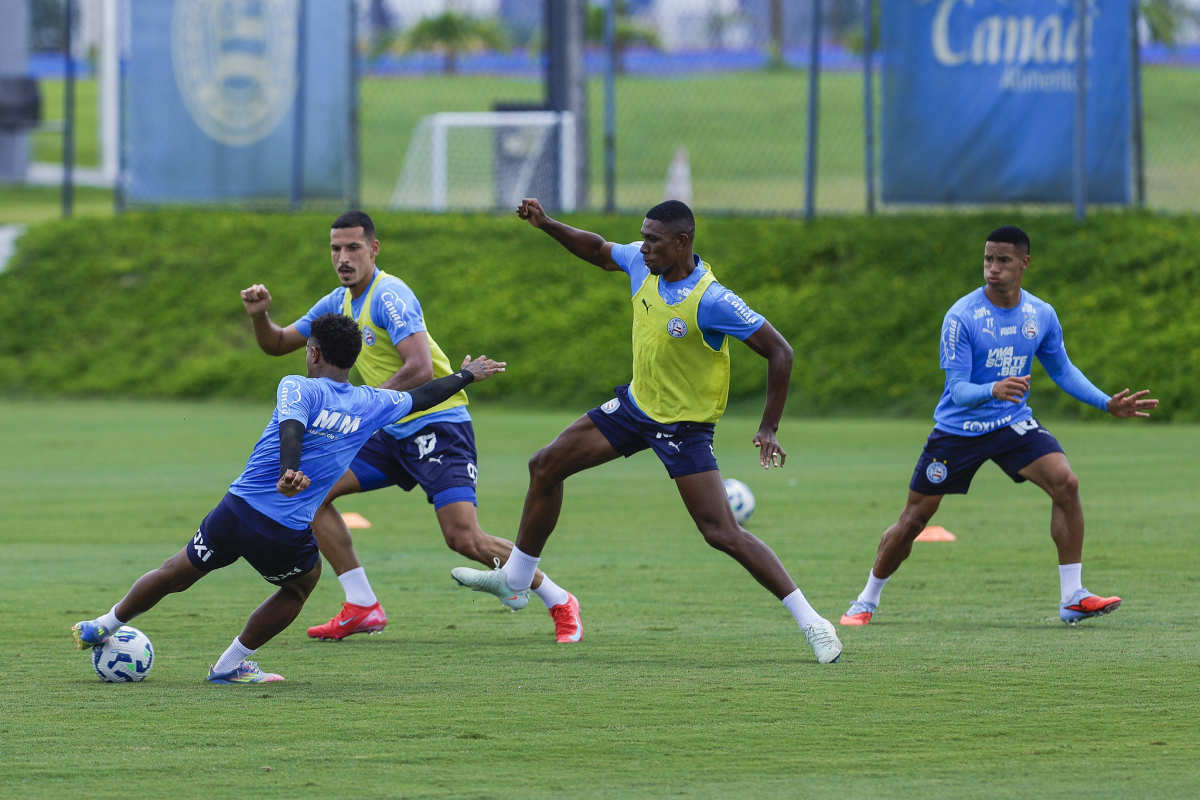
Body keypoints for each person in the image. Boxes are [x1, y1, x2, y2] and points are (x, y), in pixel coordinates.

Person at [450, 197, 843, 661]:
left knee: (721, 532)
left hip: (684, 427)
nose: (644, 246)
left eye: (654, 239)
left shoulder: (711, 300)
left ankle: (814, 623)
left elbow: (781, 351)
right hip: (636, 409)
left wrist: (769, 427)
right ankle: (516, 580)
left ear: (683, 242)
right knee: (545, 465)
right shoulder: (642, 263)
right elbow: (598, 250)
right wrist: (546, 224)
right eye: (643, 236)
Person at [72, 314, 505, 683]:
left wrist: (288, 468)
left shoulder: (296, 386)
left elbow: (292, 425)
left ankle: (104, 623)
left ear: (313, 353)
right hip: (281, 530)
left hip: (234, 510)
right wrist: (467, 375)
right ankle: (229, 665)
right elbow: (419, 397)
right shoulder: (372, 402)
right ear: (353, 359)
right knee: (300, 585)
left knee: (176, 571)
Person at [240, 211, 580, 641]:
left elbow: (419, 368)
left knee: (464, 538)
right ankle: (362, 604)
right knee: (312, 492)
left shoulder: (391, 296)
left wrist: (362, 411)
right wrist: (258, 315)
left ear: (373, 249)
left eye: (353, 248)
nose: (343, 258)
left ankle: (560, 599)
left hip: (437, 425)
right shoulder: (337, 303)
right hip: (387, 430)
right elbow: (276, 343)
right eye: (335, 249)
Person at [838, 226, 1158, 628]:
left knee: (1066, 483)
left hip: (1011, 424)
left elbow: (1062, 369)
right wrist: (994, 387)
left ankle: (1073, 596)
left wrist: (1105, 402)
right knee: (914, 519)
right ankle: (866, 599)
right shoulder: (962, 317)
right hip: (958, 431)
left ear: (1024, 263)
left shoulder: (1040, 315)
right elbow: (957, 390)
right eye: (988, 259)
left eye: (1003, 260)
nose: (993, 268)